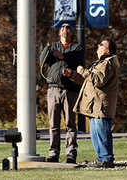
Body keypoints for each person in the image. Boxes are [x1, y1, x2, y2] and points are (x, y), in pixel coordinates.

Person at [63, 38, 119, 168]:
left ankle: (106, 160)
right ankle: (101, 159)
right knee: (96, 136)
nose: (98, 46)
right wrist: (73, 75)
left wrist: (84, 71)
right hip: (95, 107)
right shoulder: (100, 64)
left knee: (102, 134)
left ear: (107, 50)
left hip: (101, 107)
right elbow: (89, 82)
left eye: (101, 44)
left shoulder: (107, 64)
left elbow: (99, 80)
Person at [39, 23, 84, 163]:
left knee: (70, 124)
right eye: (62, 28)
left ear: (71, 32)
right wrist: (48, 45)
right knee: (54, 124)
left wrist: (63, 57)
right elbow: (42, 61)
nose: (65, 29)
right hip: (53, 90)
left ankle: (70, 154)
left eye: (68, 27)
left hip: (70, 90)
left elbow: (79, 62)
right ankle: (53, 153)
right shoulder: (53, 46)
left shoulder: (76, 47)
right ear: (59, 33)